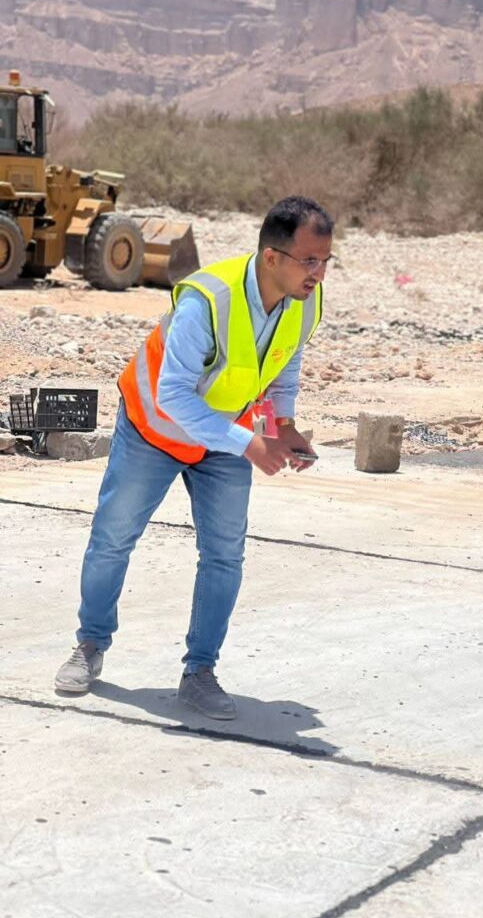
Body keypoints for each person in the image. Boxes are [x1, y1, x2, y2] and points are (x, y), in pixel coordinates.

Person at [54, 195, 335, 719]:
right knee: (113, 538)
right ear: (272, 257)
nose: (319, 273)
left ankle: (200, 671)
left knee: (225, 554)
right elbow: (174, 397)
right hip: (154, 429)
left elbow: (282, 369)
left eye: (326, 260)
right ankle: (91, 644)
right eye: (310, 260)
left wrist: (285, 426)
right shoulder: (208, 299)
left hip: (224, 437)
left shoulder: (305, 300)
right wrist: (252, 443)